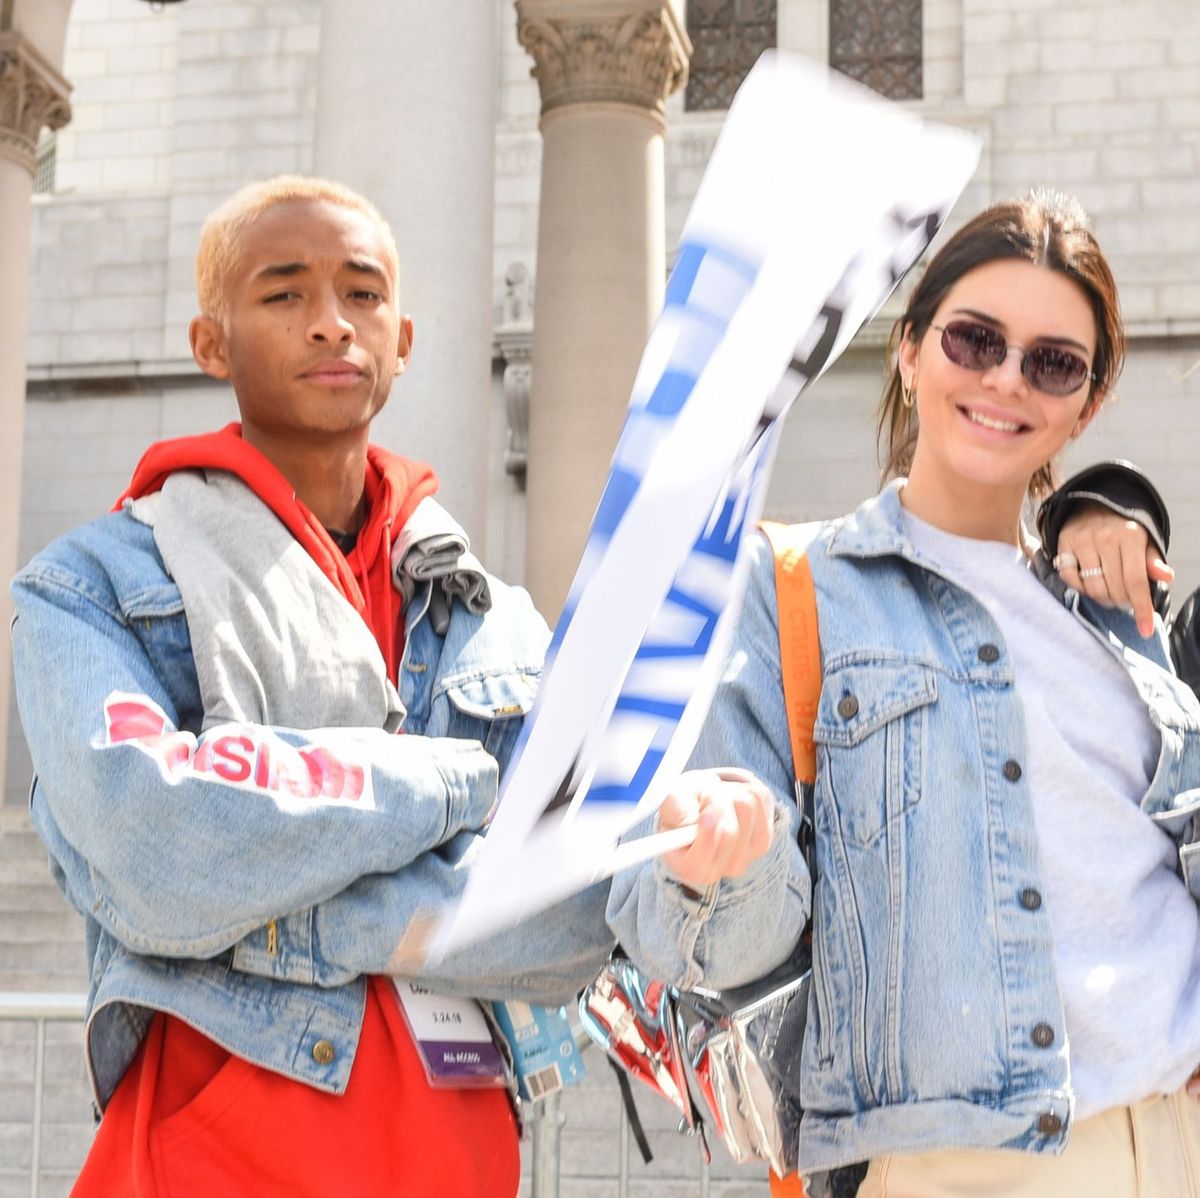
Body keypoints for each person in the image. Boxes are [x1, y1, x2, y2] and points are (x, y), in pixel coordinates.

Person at [9, 176, 628, 1197]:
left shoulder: (496, 620)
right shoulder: (92, 585)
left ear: (405, 339)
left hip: (459, 1159)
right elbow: (156, 848)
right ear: (211, 343)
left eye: (364, 295)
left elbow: (579, 906)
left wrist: (285, 903)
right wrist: (453, 788)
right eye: (285, 294)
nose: (332, 323)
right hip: (210, 1160)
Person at [610, 191, 1200, 1197]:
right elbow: (692, 939)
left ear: (1086, 402)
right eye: (976, 340)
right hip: (963, 1162)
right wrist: (726, 860)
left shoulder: (1118, 616)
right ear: (911, 348)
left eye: (1054, 362)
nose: (1007, 379)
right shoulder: (788, 589)